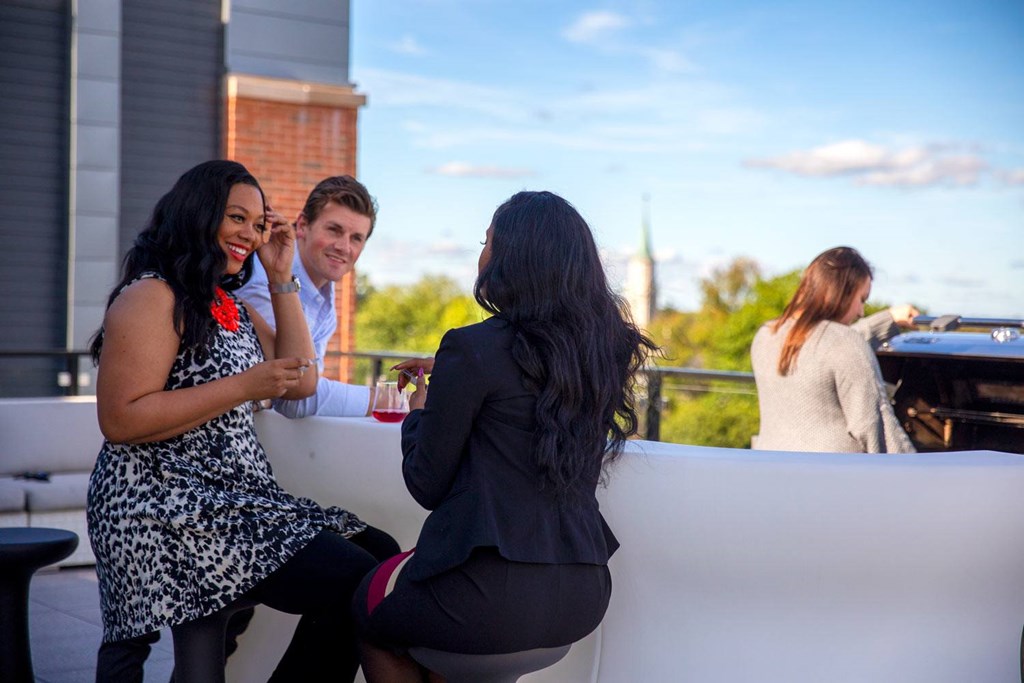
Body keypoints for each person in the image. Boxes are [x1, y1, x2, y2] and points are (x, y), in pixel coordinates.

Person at [87, 160, 399, 683]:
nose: (249, 234)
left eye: (257, 224)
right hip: (162, 500)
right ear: (199, 214)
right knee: (361, 580)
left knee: (379, 553)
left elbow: (299, 380)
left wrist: (282, 277)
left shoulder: (229, 305)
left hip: (232, 498)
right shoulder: (151, 295)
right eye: (237, 218)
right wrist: (244, 386)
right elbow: (119, 419)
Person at [350, 191, 658, 681]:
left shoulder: (471, 348)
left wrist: (420, 412)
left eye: (487, 241)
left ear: (512, 257)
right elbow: (528, 383)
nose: (481, 252)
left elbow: (426, 485)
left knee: (369, 610)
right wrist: (453, 377)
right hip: (582, 594)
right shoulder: (605, 354)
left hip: (488, 596)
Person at [750, 246, 918, 453]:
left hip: (771, 467)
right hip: (835, 476)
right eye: (861, 299)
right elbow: (873, 426)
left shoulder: (766, 336)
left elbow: (821, 348)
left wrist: (888, 319)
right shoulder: (845, 343)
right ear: (842, 294)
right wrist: (917, 472)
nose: (860, 311)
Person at [237, 175, 378, 417]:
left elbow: (307, 387)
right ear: (302, 225)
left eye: (356, 238)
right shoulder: (262, 282)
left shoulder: (323, 293)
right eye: (334, 230)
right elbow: (293, 397)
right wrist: (391, 400)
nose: (344, 247)